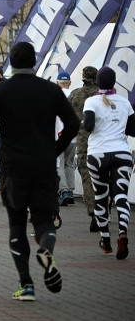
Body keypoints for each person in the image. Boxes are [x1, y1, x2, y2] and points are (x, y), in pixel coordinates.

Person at [0, 42, 79, 302]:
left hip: (13, 168)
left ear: (12, 62)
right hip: (43, 166)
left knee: (17, 224)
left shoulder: (1, 91)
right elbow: (73, 123)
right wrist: (55, 149)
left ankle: (26, 285)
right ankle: (46, 249)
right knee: (43, 220)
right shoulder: (51, 90)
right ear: (34, 62)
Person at [82, 66, 133, 260]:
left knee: (101, 196)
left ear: (97, 82)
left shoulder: (91, 101)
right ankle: (122, 233)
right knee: (121, 195)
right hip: (122, 153)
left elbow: (88, 126)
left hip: (98, 154)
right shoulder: (124, 102)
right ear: (114, 82)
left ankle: (105, 240)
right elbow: (133, 129)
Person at [69, 66, 100, 232]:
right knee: (105, 178)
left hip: (83, 142)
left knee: (87, 178)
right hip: (102, 141)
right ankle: (105, 211)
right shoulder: (103, 95)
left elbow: (66, 116)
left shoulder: (75, 94)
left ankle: (93, 212)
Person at [55, 71, 77, 207]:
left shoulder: (55, 96)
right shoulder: (76, 95)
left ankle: (63, 191)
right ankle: (70, 191)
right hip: (73, 136)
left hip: (58, 135)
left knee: (58, 164)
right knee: (69, 164)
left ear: (57, 83)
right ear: (69, 83)